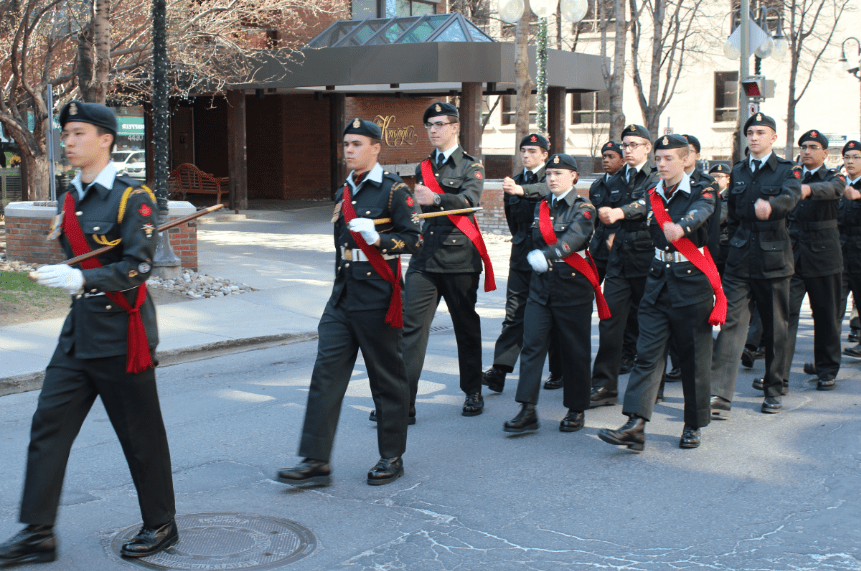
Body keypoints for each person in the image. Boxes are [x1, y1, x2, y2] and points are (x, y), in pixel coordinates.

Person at [0, 101, 177, 566]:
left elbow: (138, 266)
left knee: (140, 437)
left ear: (106, 140)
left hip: (123, 332)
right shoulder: (70, 197)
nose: (70, 142)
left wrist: (83, 279)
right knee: (48, 426)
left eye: (79, 133)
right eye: (67, 133)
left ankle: (161, 523)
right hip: (79, 333)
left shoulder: (131, 197)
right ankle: (38, 533)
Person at [277, 119, 421, 488]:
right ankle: (316, 461)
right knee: (325, 376)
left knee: (385, 378)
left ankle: (392, 456)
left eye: (356, 144)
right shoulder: (347, 190)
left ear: (375, 147)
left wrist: (382, 241)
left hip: (379, 297)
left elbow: (416, 240)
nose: (349, 150)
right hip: (343, 296)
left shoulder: (393, 192)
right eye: (346, 144)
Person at [598, 134, 720, 450]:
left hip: (691, 281)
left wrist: (682, 228)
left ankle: (693, 423)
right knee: (647, 354)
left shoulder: (703, 188)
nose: (662, 164)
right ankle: (636, 423)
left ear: (685, 159)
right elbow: (641, 211)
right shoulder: (653, 192)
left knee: (694, 358)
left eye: (668, 159)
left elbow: (703, 210)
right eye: (659, 159)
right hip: (657, 279)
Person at [395, 102, 492, 420]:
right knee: (411, 329)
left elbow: (470, 201)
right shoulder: (423, 166)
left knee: (465, 326)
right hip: (425, 259)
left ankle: (473, 391)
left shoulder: (470, 166)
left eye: (440, 123)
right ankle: (404, 401)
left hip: (459, 259)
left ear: (455, 127)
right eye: (430, 125)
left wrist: (437, 198)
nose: (434, 129)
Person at [502, 153, 607, 434]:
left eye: (559, 173)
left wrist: (548, 254)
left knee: (574, 349)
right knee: (532, 345)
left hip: (572, 286)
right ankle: (527, 409)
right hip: (541, 286)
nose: (552, 178)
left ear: (573, 176)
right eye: (549, 174)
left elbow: (573, 239)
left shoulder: (584, 208)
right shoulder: (541, 207)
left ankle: (576, 408)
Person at [709, 113, 801, 418]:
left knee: (775, 327)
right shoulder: (738, 170)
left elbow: (791, 197)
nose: (754, 137)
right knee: (732, 324)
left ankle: (773, 389)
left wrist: (772, 207)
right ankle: (720, 393)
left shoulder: (787, 170)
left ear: (773, 138)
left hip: (773, 258)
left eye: (761, 132)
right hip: (740, 258)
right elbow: (733, 215)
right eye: (750, 132)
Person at [482, 134, 563, 393]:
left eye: (532, 151)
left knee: (552, 314)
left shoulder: (551, 179)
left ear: (544, 155)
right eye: (523, 151)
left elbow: (546, 192)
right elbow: (513, 220)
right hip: (520, 257)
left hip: (548, 258)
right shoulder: (513, 183)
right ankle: (500, 370)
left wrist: (522, 192)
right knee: (514, 314)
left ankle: (558, 370)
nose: (526, 155)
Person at [590, 124, 660, 408]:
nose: (627, 150)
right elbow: (603, 215)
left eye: (634, 145)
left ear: (647, 148)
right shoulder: (615, 180)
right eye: (625, 145)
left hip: (647, 260)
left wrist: (620, 212)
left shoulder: (656, 178)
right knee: (610, 322)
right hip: (618, 260)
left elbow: (648, 204)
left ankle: (653, 385)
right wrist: (607, 236)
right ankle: (604, 385)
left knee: (651, 326)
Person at [837, 141, 861, 359]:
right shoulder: (839, 185)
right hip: (841, 252)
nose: (851, 161)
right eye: (847, 157)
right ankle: (828, 356)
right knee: (833, 306)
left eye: (856, 157)